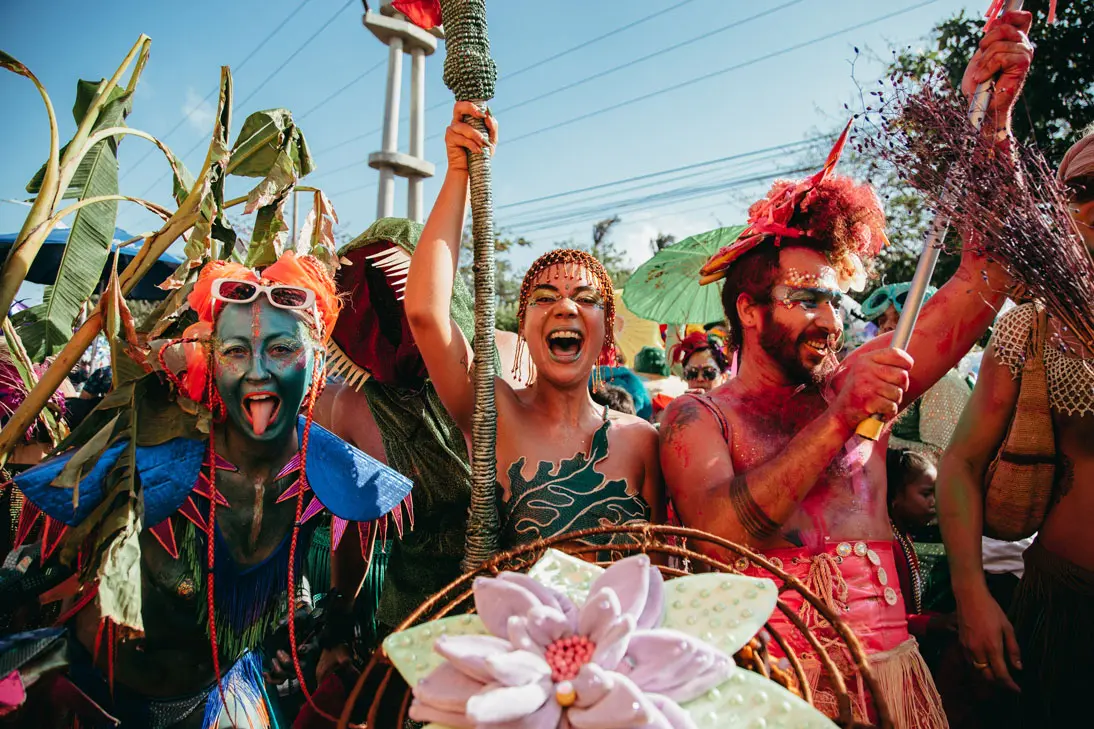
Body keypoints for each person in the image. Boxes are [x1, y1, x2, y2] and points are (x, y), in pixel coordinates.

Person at [659, 13, 1032, 726]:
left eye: (835, 298)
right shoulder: (696, 417)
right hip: (766, 693)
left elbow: (991, 270)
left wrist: (992, 123)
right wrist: (838, 420)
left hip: (892, 686)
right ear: (748, 310)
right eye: (805, 299)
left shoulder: (865, 377)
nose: (830, 320)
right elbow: (722, 532)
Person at [8, 252, 413, 728]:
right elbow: (49, 557)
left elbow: (350, 548)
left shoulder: (333, 474)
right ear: (211, 361)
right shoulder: (151, 457)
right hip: (92, 698)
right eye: (237, 351)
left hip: (219, 702)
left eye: (282, 350)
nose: (257, 371)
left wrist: (330, 625)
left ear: (317, 364)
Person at [405, 102, 664, 553]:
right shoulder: (495, 411)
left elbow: (665, 566)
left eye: (585, 300)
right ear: (523, 327)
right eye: (544, 299)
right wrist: (459, 173)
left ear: (607, 331)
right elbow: (427, 314)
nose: (565, 306)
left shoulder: (643, 440)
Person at [938, 120, 1094, 727]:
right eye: (1081, 186)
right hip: (1065, 607)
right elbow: (961, 462)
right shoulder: (1030, 324)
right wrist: (972, 594)